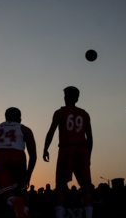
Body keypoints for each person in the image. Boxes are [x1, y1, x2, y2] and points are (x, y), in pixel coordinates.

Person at [43, 86, 93, 218]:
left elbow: (51, 132)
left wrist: (45, 148)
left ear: (65, 98)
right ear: (77, 98)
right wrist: (89, 156)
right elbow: (90, 138)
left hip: (66, 149)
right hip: (82, 149)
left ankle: (59, 215)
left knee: (61, 184)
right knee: (86, 185)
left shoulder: (60, 112)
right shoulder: (84, 114)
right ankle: (89, 214)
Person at [0, 107, 37, 218]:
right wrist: (28, 175)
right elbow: (33, 156)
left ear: (5, 117)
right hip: (17, 154)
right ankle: (25, 211)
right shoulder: (24, 129)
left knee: (6, 193)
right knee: (22, 189)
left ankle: (13, 201)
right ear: (20, 119)